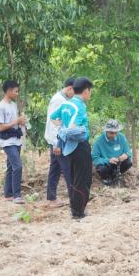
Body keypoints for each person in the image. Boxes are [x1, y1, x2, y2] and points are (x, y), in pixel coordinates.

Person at [50, 77, 93, 219]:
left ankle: (75, 210)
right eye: (90, 91)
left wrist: (62, 129)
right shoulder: (78, 106)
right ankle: (79, 212)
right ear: (86, 91)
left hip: (68, 148)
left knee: (74, 178)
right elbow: (73, 127)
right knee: (83, 180)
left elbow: (53, 118)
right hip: (79, 146)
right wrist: (69, 131)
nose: (90, 94)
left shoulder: (66, 104)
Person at [44, 78, 75, 207]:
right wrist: (57, 143)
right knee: (68, 169)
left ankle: (52, 199)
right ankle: (75, 199)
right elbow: (54, 123)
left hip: (56, 140)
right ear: (69, 88)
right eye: (75, 91)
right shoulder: (58, 101)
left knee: (55, 168)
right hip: (58, 141)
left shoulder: (62, 99)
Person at [0, 80, 26, 204]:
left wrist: (21, 122)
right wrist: (16, 121)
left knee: (10, 167)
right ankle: (17, 195)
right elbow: (1, 127)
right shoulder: (1, 107)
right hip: (7, 142)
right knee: (17, 166)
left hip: (16, 140)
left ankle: (8, 194)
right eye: (15, 91)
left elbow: (15, 121)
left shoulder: (13, 105)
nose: (17, 93)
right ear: (8, 91)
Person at [92, 119, 132, 186]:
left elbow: (128, 151)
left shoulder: (121, 137)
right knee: (101, 169)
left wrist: (126, 155)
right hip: (107, 165)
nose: (114, 135)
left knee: (128, 162)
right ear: (106, 131)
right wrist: (108, 160)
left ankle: (116, 175)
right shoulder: (99, 141)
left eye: (116, 132)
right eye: (111, 133)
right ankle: (107, 177)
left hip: (119, 164)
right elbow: (95, 158)